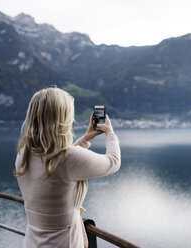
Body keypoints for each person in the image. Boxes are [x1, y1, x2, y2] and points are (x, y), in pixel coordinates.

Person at [14, 87, 121, 248]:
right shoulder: (69, 159)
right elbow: (113, 162)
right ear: (61, 119)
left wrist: (85, 140)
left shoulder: (23, 154)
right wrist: (110, 134)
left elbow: (59, 163)